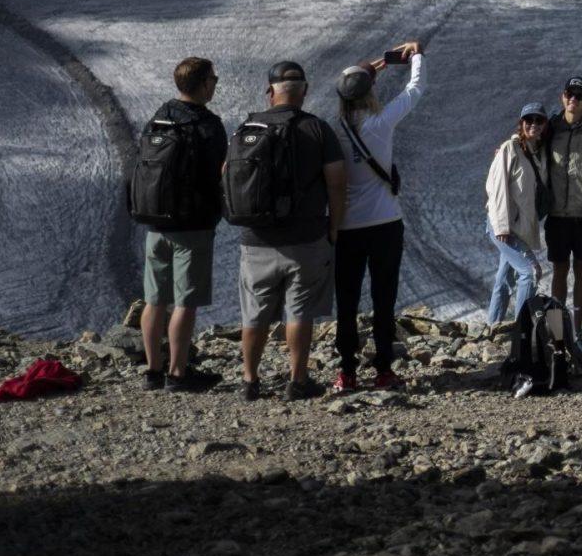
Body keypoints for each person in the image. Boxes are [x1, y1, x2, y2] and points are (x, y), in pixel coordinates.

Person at [225, 60, 346, 402]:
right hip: (307, 237)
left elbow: (227, 174)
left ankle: (249, 380)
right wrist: (334, 228)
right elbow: (337, 183)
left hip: (256, 239)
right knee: (300, 310)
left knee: (255, 311)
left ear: (270, 91)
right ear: (304, 91)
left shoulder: (247, 128)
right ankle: (298, 380)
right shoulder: (317, 129)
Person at [332, 38, 426, 393]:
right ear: (369, 92)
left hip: (348, 228)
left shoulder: (334, 130)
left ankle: (347, 371)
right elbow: (415, 89)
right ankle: (384, 369)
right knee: (384, 298)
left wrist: (371, 67)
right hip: (385, 223)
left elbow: (351, 83)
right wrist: (416, 57)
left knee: (347, 300)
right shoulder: (381, 123)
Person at [129, 55, 226, 394]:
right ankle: (178, 373)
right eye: (212, 79)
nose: (215, 83)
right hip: (193, 225)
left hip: (155, 223)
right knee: (185, 301)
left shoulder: (159, 117)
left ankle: (153, 371)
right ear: (201, 84)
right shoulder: (207, 124)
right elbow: (220, 174)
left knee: (154, 299)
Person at [540, 75, 582, 359]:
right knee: (559, 272)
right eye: (569, 94)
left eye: (579, 95)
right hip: (556, 213)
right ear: (562, 96)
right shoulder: (550, 128)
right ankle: (555, 332)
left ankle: (576, 331)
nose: (573, 100)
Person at [484, 103, 551, 328]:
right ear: (521, 123)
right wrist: (502, 226)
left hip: (518, 227)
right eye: (528, 120)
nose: (534, 124)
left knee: (504, 278)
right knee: (530, 272)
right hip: (503, 226)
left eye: (538, 120)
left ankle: (492, 327)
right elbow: (497, 188)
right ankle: (521, 330)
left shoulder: (538, 154)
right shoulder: (509, 149)